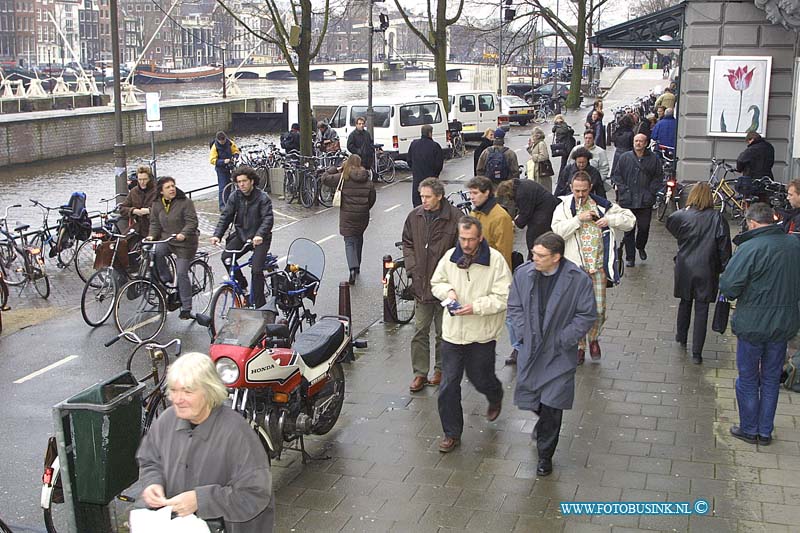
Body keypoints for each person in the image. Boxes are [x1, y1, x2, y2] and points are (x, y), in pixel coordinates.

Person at [136, 352, 274, 532]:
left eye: (187, 391)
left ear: (209, 391)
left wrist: (200, 501)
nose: (177, 399)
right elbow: (149, 460)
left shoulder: (238, 433)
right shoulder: (166, 420)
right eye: (174, 390)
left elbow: (255, 494)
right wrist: (152, 483)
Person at [508, 232, 596, 476]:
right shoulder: (523, 274)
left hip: (558, 354)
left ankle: (545, 455)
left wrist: (563, 339)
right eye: (534, 253)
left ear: (556, 257)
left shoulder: (577, 280)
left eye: (540, 255)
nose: (534, 258)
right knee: (533, 398)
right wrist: (522, 332)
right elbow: (514, 305)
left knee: (553, 404)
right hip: (532, 350)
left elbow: (586, 315)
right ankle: (543, 422)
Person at [720, 203, 800, 446]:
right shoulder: (794, 245)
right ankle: (765, 431)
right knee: (771, 377)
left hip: (753, 324)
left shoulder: (749, 248)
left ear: (752, 223)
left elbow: (729, 287)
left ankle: (749, 428)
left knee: (747, 378)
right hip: (783, 323)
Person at [430, 216, 512, 453]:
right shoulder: (449, 257)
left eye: (470, 239)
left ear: (480, 238)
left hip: (482, 333)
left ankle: (494, 394)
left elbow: (504, 297)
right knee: (448, 384)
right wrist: (449, 293)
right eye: (462, 239)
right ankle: (451, 433)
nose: (465, 244)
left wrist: (476, 307)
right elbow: (437, 282)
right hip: (453, 333)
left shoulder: (495, 261)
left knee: (480, 377)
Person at [551, 172, 634, 364]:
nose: (580, 194)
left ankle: (594, 337)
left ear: (590, 188)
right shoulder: (563, 207)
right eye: (576, 190)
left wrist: (610, 221)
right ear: (571, 188)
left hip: (597, 269)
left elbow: (630, 221)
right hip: (574, 270)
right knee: (576, 311)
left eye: (584, 190)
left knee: (599, 310)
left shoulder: (602, 205)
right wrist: (578, 219)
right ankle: (579, 347)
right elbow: (557, 232)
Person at [402, 177, 460, 392]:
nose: (423, 201)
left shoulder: (455, 218)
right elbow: (407, 242)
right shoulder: (414, 216)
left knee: (444, 332)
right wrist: (412, 268)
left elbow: (462, 251)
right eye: (422, 196)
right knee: (419, 330)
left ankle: (441, 369)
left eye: (427, 197)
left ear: (439, 196)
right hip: (421, 284)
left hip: (446, 287)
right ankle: (419, 373)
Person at [666, 183, 732, 364]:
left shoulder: (681, 216)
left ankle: (681, 337)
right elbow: (724, 247)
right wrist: (725, 268)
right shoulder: (717, 219)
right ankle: (697, 352)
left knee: (684, 302)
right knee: (702, 310)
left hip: (685, 266)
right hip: (707, 268)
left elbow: (670, 224)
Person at [211, 166, 274, 309]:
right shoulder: (235, 196)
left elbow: (268, 219)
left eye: (244, 181)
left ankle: (260, 307)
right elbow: (226, 216)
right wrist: (217, 235)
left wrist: (259, 235)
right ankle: (243, 287)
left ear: (252, 181)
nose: (241, 184)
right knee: (226, 258)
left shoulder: (263, 198)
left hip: (260, 238)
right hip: (242, 235)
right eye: (238, 182)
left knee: (256, 270)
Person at [147, 177, 199, 320]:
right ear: (161, 191)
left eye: (173, 186)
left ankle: (186, 307)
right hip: (168, 240)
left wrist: (183, 233)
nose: (172, 189)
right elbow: (155, 223)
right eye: (168, 187)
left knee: (182, 272)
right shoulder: (157, 204)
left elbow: (192, 222)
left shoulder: (185, 202)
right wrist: (151, 236)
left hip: (185, 243)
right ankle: (166, 277)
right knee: (156, 251)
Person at [321, 154, 375, 285]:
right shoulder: (367, 179)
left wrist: (334, 168)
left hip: (348, 216)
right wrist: (365, 207)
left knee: (349, 241)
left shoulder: (343, 177)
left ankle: (352, 268)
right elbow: (372, 198)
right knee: (359, 238)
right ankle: (357, 266)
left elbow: (325, 179)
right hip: (362, 216)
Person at [611, 133, 664, 267]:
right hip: (628, 200)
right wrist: (623, 190)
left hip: (645, 201)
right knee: (628, 229)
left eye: (641, 141)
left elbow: (658, 177)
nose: (638, 143)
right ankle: (630, 257)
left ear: (646, 143)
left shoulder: (653, 159)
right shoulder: (625, 158)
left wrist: (650, 192)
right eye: (636, 141)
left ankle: (640, 246)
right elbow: (617, 176)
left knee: (644, 227)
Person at [495, 178, 560, 255]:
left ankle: (534, 257)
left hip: (545, 211)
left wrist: (516, 222)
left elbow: (525, 213)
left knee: (533, 237)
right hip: (547, 205)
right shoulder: (521, 185)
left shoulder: (521, 194)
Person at [467, 176, 513, 269]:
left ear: (487, 192)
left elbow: (504, 252)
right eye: (470, 193)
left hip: (492, 269)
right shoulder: (474, 213)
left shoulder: (501, 217)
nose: (471, 197)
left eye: (475, 193)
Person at [407, 124, 444, 207]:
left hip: (417, 180)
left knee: (418, 205)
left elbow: (409, 160)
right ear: (430, 133)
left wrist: (415, 170)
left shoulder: (414, 144)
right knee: (432, 204)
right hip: (431, 181)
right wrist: (435, 175)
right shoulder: (435, 146)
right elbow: (439, 165)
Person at [118, 165, 158, 242]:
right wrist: (134, 211)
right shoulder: (134, 192)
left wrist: (148, 211)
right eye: (140, 179)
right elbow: (122, 208)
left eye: (145, 179)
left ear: (150, 179)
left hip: (155, 228)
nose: (142, 182)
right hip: (139, 228)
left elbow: (166, 209)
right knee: (122, 244)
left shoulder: (158, 191)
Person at [209, 131, 240, 210]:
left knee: (230, 186)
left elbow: (236, 150)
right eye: (221, 141)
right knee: (222, 187)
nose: (223, 142)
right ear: (218, 140)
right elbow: (212, 160)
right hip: (221, 169)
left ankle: (229, 203)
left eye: (224, 140)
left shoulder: (229, 143)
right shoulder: (215, 147)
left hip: (230, 167)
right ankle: (222, 206)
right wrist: (223, 161)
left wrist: (235, 157)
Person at [526, 127, 552, 192]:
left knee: (542, 188)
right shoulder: (536, 144)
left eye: (532, 135)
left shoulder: (541, 144)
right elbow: (534, 154)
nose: (531, 137)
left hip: (541, 171)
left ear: (537, 136)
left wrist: (533, 157)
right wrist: (529, 148)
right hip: (537, 170)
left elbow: (544, 156)